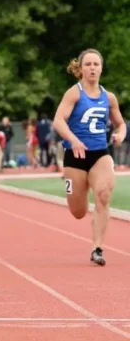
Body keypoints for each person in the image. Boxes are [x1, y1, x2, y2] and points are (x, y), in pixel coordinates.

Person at [52, 48, 125, 266]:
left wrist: (120, 133)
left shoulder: (108, 97)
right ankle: (69, 183)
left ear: (101, 68)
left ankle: (97, 248)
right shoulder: (74, 93)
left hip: (100, 154)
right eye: (88, 64)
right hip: (74, 156)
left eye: (96, 64)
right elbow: (58, 120)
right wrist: (74, 140)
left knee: (103, 195)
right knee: (78, 211)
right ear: (81, 68)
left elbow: (120, 123)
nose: (92, 68)